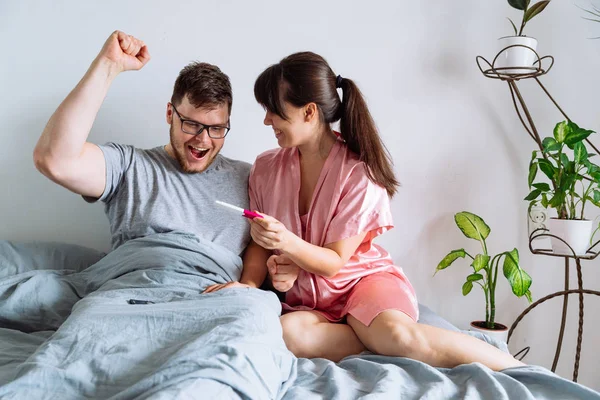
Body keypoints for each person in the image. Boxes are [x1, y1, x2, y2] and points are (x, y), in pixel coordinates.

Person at [208, 51, 526, 371]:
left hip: (363, 284)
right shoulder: (265, 168)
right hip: (309, 301)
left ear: (309, 112)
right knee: (289, 336)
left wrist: (288, 243)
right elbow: (260, 243)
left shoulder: (359, 174)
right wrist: (249, 284)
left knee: (400, 338)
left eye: (274, 111)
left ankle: (511, 365)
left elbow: (333, 264)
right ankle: (370, 337)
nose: (267, 120)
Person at [34, 31, 252, 256]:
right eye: (191, 124)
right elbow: (53, 161)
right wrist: (107, 66)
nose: (203, 140)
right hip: (138, 283)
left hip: (218, 288)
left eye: (216, 129)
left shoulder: (250, 178)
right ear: (170, 113)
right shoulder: (129, 166)